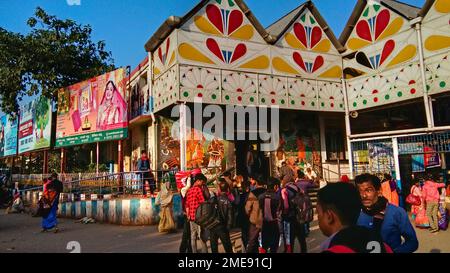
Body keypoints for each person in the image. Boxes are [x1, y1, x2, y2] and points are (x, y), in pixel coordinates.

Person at [318, 183, 393, 253]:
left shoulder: (336, 249)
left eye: (318, 213)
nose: (318, 218)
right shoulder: (383, 246)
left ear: (329, 216)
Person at [356, 173, 418, 253]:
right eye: (360, 191)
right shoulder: (356, 213)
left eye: (368, 190)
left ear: (379, 191)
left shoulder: (397, 212)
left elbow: (412, 242)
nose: (363, 195)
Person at [280, 177, 307, 253]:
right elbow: (303, 203)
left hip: (289, 217)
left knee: (289, 239)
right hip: (299, 216)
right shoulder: (299, 189)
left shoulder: (284, 190)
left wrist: (285, 213)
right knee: (301, 238)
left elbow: (286, 206)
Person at [185, 173, 209, 253]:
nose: (203, 184)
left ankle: (194, 252)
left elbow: (187, 205)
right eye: (202, 182)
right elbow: (203, 203)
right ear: (198, 181)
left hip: (191, 217)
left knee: (193, 236)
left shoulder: (189, 190)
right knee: (201, 236)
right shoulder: (198, 190)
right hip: (198, 217)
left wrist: (188, 216)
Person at [210, 179, 234, 253]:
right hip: (222, 226)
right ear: (227, 189)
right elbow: (230, 216)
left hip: (213, 225)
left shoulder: (214, 199)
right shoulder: (228, 201)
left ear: (219, 189)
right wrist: (228, 227)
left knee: (214, 247)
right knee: (228, 247)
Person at [259, 177, 281, 253]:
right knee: (274, 245)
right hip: (274, 223)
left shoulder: (261, 196)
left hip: (264, 223)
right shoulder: (277, 197)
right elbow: (280, 210)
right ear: (275, 186)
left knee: (264, 244)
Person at [245, 175, 266, 253]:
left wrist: (249, 215)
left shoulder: (253, 193)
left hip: (255, 220)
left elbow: (247, 208)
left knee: (252, 240)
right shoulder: (267, 192)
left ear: (256, 182)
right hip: (266, 219)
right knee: (265, 239)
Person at [235, 176, 250, 252]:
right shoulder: (250, 195)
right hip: (248, 217)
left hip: (242, 217)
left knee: (244, 235)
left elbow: (236, 203)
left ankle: (244, 250)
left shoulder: (240, 196)